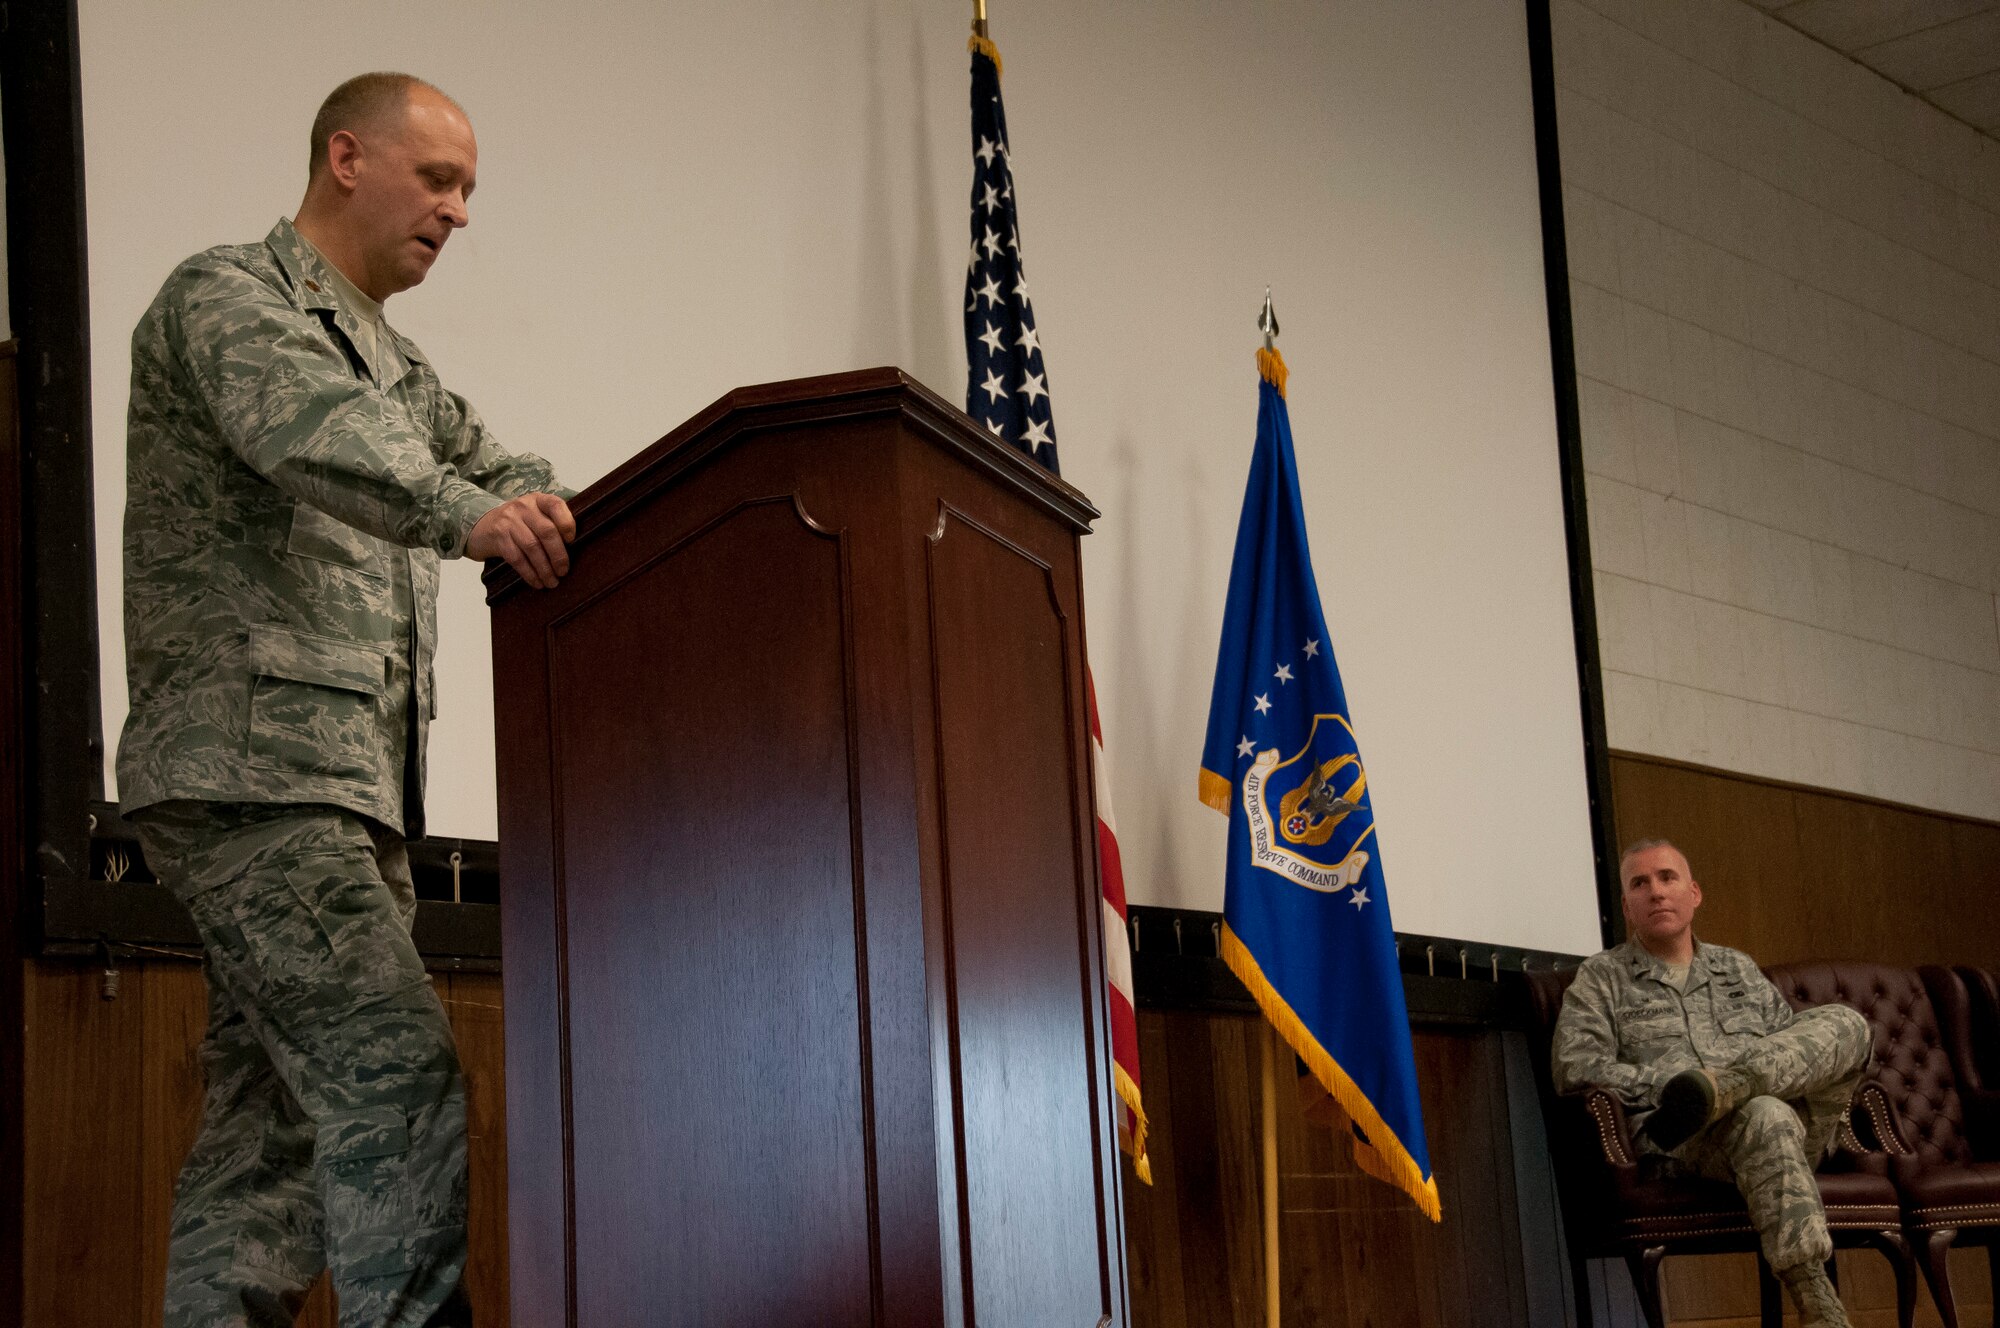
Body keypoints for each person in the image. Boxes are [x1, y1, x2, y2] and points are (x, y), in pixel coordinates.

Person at [117, 72, 573, 1326]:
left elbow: (498, 460)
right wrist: (468, 513)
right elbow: (315, 431)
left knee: (267, 1144)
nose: (459, 211)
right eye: (439, 179)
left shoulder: (392, 358)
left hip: (342, 791)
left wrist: (534, 500)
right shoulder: (229, 295)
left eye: (469, 188)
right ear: (346, 158)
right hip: (254, 770)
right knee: (401, 1081)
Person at [1552, 839, 1873, 1328]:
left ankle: (1730, 1085)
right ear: (1626, 906)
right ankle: (1817, 1302)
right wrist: (1675, 1086)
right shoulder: (1603, 978)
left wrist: (1731, 1083)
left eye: (1667, 878)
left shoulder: (1737, 968)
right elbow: (1576, 1067)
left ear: (1694, 893)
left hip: (1793, 1126)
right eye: (1640, 884)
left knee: (1847, 1023)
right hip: (1687, 1141)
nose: (1656, 892)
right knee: (1765, 1114)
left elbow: (1796, 1048)